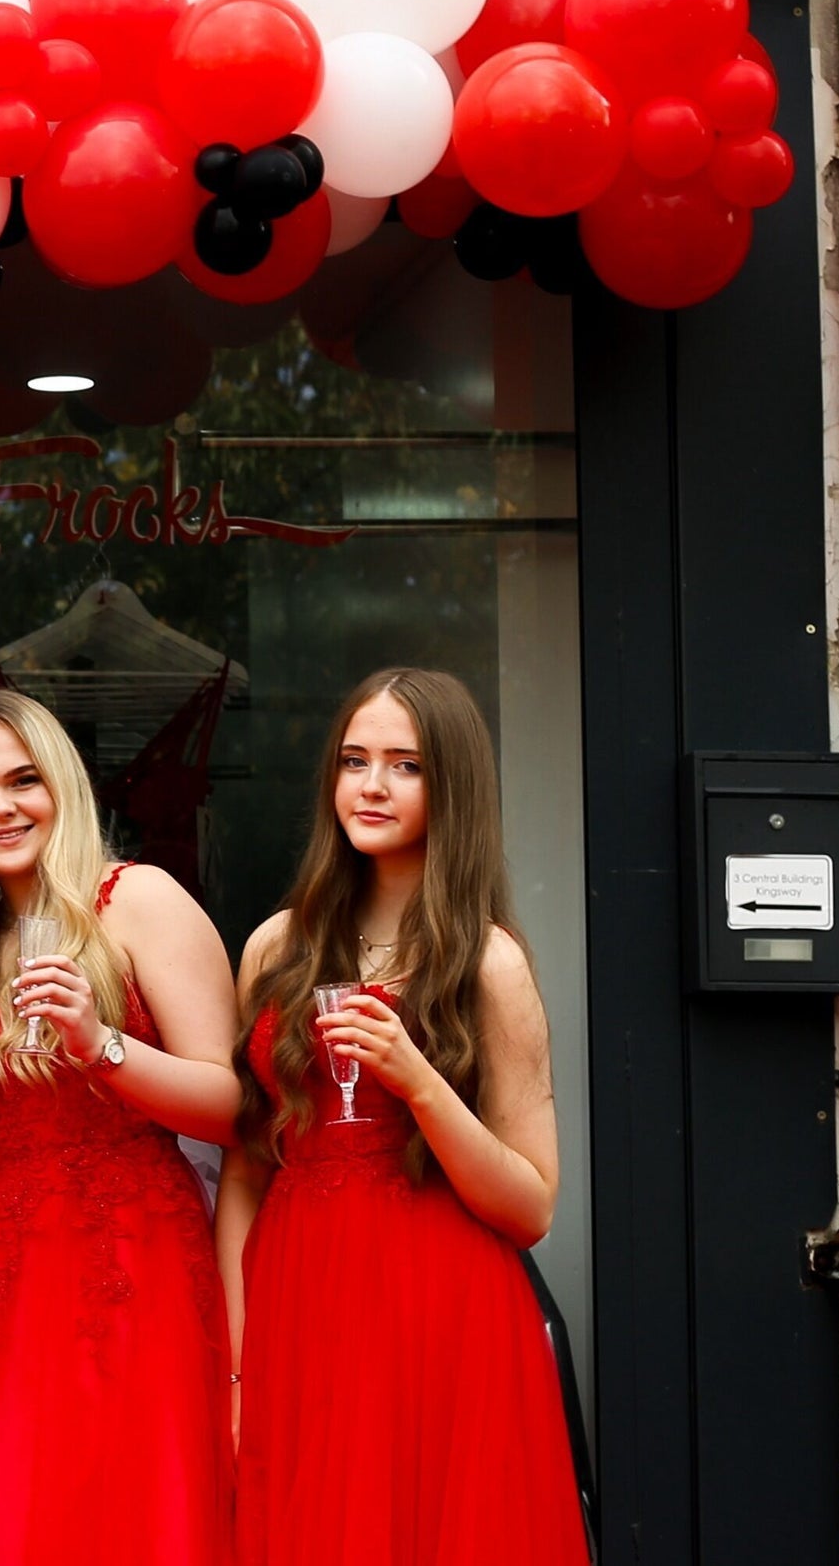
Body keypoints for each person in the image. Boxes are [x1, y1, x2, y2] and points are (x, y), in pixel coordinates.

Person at [220, 671, 583, 1566]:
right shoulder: (276, 945)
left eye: (405, 765)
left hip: (439, 1310)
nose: (371, 785)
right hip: (297, 1298)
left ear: (449, 786)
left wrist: (417, 1079)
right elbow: (242, 1170)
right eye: (354, 760)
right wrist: (233, 1361)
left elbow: (532, 1205)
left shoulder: (487, 962)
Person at [0, 690, 241, 1566]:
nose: (0, 807)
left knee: (133, 1519)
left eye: (23, 780)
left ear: (63, 787)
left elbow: (233, 1107)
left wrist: (99, 1044)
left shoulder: (139, 898)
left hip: (135, 1271)